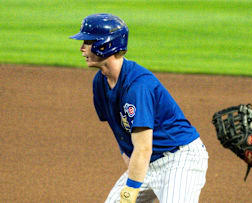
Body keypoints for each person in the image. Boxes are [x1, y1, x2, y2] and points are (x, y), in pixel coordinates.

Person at [69, 13, 208, 203]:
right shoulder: (100, 82)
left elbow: (143, 147)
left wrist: (130, 193)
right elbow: (121, 133)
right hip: (145, 163)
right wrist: (132, 175)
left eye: (88, 42)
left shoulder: (138, 86)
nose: (82, 48)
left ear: (105, 45)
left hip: (179, 159)